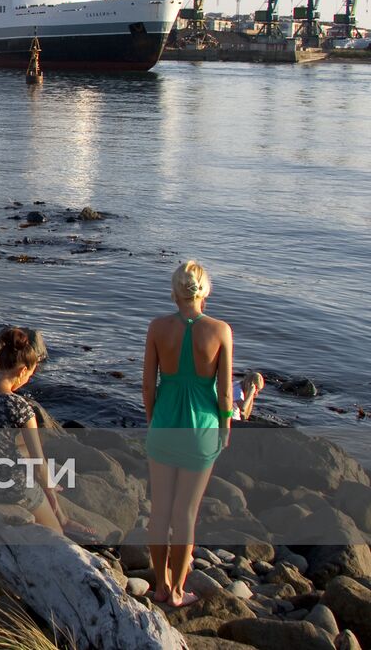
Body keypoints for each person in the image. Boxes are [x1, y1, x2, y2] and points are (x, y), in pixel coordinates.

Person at [143, 259, 233, 608]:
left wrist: (153, 420)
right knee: (185, 514)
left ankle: (160, 586)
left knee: (159, 511)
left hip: (164, 424)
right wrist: (225, 427)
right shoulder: (220, 330)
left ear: (175, 292)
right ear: (204, 291)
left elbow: (148, 385)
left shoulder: (156, 328)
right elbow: (225, 393)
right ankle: (178, 591)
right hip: (201, 429)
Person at [0, 327, 65, 533]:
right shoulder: (20, 407)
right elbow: (38, 463)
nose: (28, 380)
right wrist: (49, 489)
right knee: (56, 532)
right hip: (13, 488)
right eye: (30, 375)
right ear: (22, 371)